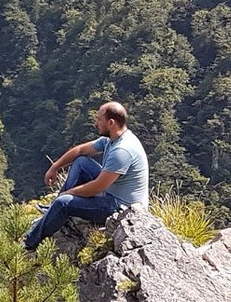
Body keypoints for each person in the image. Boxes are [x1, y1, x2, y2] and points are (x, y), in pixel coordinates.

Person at [24, 101, 149, 251]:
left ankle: (29, 244)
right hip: (112, 191)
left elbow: (97, 187)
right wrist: (55, 167)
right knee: (82, 162)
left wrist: (68, 193)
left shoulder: (122, 151)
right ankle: (53, 210)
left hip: (121, 207)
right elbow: (80, 151)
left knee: (63, 203)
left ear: (111, 123)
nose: (96, 123)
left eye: (99, 120)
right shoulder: (112, 140)